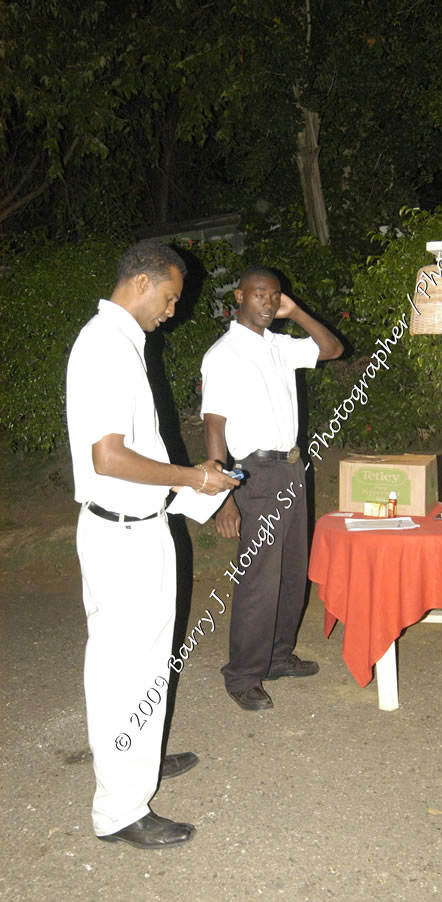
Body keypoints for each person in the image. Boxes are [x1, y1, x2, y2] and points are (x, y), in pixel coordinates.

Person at [66, 240, 238, 850]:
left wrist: (196, 485)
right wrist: (193, 477)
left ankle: (135, 757)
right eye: (169, 298)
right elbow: (109, 459)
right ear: (140, 282)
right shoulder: (103, 345)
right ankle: (119, 810)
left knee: (145, 665)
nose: (172, 312)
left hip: (142, 528)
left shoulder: (125, 343)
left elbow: (140, 449)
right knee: (122, 671)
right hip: (120, 536)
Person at [200, 265, 343, 710]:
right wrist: (224, 495)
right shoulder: (224, 353)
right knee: (259, 579)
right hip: (255, 474)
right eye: (260, 293)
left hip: (293, 469)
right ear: (239, 296)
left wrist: (296, 312)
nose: (268, 301)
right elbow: (214, 425)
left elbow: (333, 348)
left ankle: (278, 657)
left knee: (292, 571)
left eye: (275, 295)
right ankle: (242, 674)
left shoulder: (279, 345)